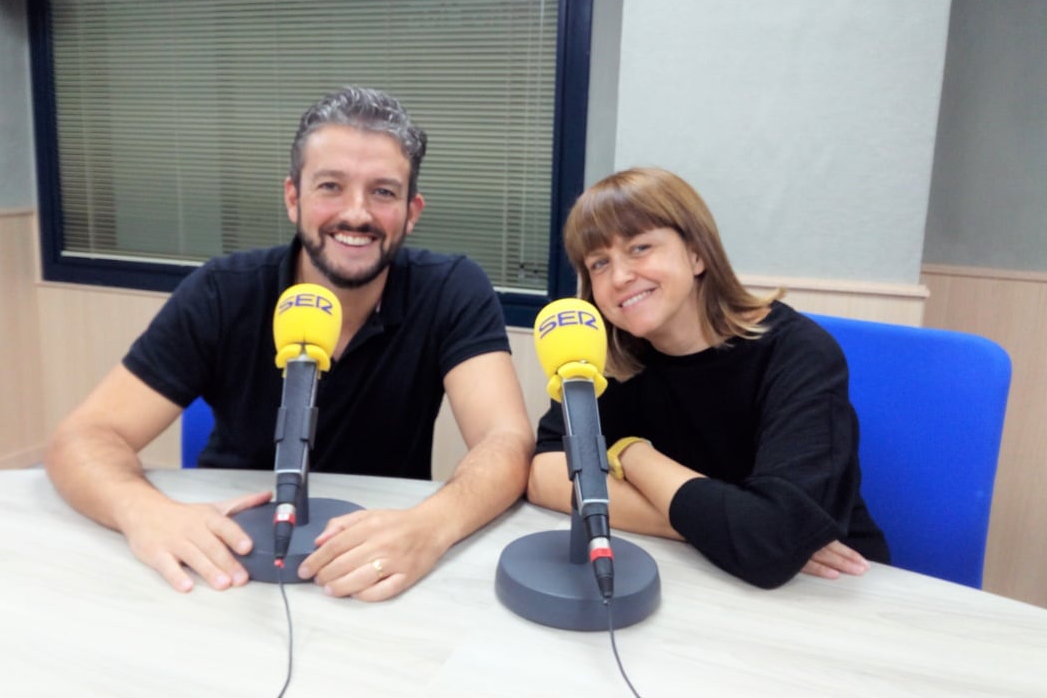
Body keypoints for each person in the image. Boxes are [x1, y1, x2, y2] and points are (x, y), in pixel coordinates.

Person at [45, 87, 534, 601]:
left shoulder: (452, 288)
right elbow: (83, 438)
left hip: (371, 567)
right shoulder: (222, 291)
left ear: (412, 211)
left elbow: (506, 440)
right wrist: (144, 511)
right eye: (331, 186)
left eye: (383, 192)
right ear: (293, 198)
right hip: (224, 563)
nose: (357, 213)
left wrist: (434, 525)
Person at [527, 167, 889, 589]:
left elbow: (771, 545)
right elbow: (546, 473)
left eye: (640, 247)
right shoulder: (601, 353)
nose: (619, 276)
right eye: (599, 263)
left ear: (697, 254)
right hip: (699, 574)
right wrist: (717, 527)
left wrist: (630, 456)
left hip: (829, 588)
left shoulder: (799, 353)